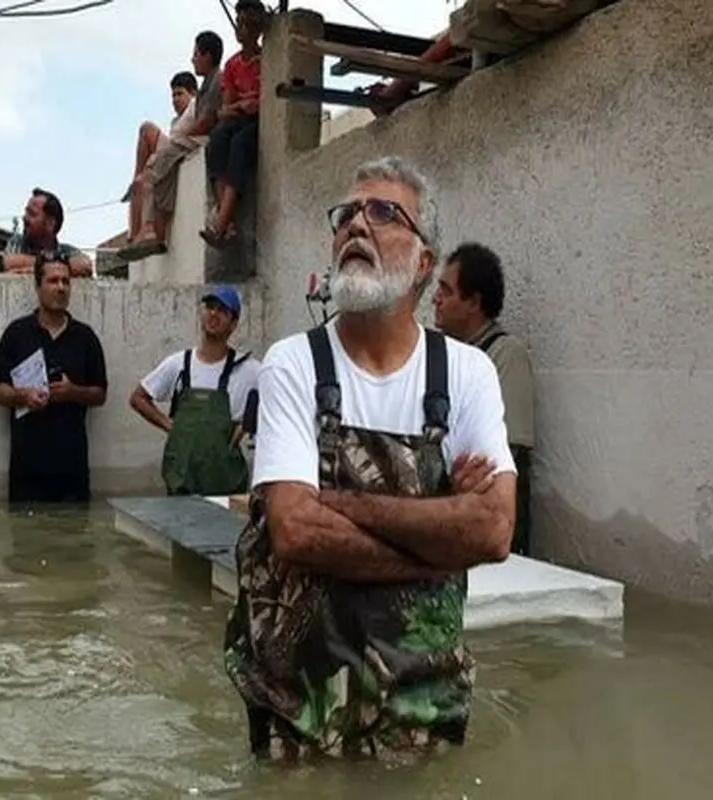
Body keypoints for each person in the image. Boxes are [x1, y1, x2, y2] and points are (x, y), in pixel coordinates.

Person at [223, 156, 517, 762]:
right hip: (295, 704)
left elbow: (491, 530)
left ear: (425, 261)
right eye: (347, 213)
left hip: (421, 703)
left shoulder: (467, 374)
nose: (356, 224)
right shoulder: (293, 363)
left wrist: (342, 503)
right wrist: (437, 541)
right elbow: (295, 530)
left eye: (383, 212)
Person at [433, 242, 535, 555]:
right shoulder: (446, 356)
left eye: (447, 291)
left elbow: (506, 454)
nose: (435, 298)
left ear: (474, 302)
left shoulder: (506, 356)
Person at [0, 252, 108, 506]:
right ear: (37, 287)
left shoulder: (85, 337)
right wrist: (24, 396)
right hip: (27, 470)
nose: (61, 288)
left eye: (66, 282)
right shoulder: (17, 334)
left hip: (71, 469)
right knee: (26, 541)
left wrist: (72, 392)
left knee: (75, 536)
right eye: (53, 281)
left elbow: (100, 394)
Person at [129, 285, 260, 496]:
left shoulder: (249, 369)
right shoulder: (179, 364)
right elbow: (138, 398)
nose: (213, 314)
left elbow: (278, 400)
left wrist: (246, 425)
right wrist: (171, 427)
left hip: (227, 487)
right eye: (209, 307)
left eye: (222, 310)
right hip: (182, 485)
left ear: (234, 324)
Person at [118, 30, 226, 261]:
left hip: (194, 141)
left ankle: (148, 228)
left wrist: (183, 134)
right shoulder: (208, 84)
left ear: (207, 55)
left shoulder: (215, 82)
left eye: (196, 53)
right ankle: (152, 230)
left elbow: (206, 122)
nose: (193, 58)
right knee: (156, 174)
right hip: (184, 142)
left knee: (152, 168)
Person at [200, 0, 267, 249]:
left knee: (239, 145)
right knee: (217, 141)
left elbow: (269, 100)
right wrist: (241, 106)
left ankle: (221, 223)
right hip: (239, 119)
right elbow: (224, 110)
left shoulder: (267, 60)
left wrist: (253, 105)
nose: (241, 28)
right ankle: (225, 222)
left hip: (259, 124)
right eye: (239, 22)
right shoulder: (232, 65)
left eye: (246, 23)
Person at [125, 71, 199, 243]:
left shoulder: (195, 107)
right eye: (173, 95)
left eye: (180, 94)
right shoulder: (176, 120)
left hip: (182, 149)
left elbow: (185, 137)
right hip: (176, 147)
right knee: (146, 133)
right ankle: (135, 231)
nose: (175, 99)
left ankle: (145, 228)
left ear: (193, 93)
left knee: (147, 131)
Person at [2, 188, 94, 278]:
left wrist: (33, 269)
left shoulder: (67, 251)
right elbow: (9, 262)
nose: (25, 218)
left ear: (50, 224)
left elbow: (85, 265)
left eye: (32, 214)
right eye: (26, 212)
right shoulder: (18, 242)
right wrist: (59, 268)